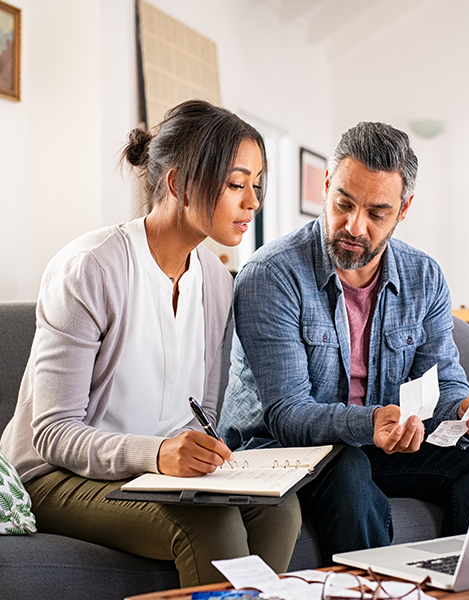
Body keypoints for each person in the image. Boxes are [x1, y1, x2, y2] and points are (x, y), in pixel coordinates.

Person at [0, 100, 301, 586]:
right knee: (212, 521)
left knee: (280, 510)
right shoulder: (91, 269)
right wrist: (157, 454)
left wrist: (206, 457)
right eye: (235, 183)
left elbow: (199, 412)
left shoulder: (219, 283)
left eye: (257, 185)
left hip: (153, 475)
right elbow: (52, 433)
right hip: (56, 476)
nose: (252, 202)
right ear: (179, 183)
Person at [218, 121, 469, 565]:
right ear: (327, 185)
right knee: (348, 467)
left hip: (374, 441)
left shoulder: (423, 276)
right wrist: (372, 422)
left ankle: (460, 586)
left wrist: (465, 410)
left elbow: (444, 379)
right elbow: (286, 415)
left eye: (376, 214)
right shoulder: (272, 275)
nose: (354, 226)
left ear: (403, 209)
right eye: (344, 204)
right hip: (277, 450)